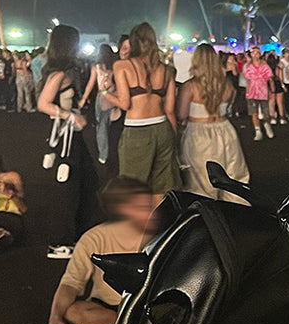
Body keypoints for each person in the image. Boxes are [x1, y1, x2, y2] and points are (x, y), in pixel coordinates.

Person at [44, 177, 160, 324]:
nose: (147, 213)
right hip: (105, 310)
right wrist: (55, 319)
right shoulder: (94, 238)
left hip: (143, 306)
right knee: (72, 312)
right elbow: (71, 283)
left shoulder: (159, 236)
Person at [36, 24, 99, 258]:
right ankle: (59, 242)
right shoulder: (59, 74)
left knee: (86, 182)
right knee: (67, 187)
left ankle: (75, 235)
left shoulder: (67, 71)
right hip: (65, 138)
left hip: (72, 136)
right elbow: (43, 104)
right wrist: (71, 116)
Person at [110, 22, 180, 192]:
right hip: (163, 128)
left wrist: (105, 92)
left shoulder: (122, 66)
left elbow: (125, 104)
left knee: (132, 187)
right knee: (162, 187)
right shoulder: (167, 70)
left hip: (137, 130)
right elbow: (170, 110)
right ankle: (160, 211)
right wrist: (174, 137)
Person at [177, 44, 250, 200]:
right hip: (225, 130)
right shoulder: (227, 85)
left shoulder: (190, 86)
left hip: (199, 133)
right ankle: (234, 209)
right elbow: (229, 108)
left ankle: (205, 211)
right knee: (231, 175)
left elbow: (181, 115)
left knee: (201, 180)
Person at [81, 43, 121, 165]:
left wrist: (83, 98)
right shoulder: (115, 67)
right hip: (114, 95)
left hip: (102, 96)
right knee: (113, 124)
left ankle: (103, 154)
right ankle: (115, 150)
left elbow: (90, 85)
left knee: (101, 125)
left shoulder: (96, 67)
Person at [243, 46, 276, 140]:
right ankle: (258, 131)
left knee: (266, 113)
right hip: (252, 91)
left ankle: (267, 126)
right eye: (253, 53)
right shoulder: (249, 67)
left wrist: (272, 89)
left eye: (257, 53)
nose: (255, 55)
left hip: (263, 91)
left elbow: (270, 79)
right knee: (254, 113)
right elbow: (248, 81)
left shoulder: (265, 66)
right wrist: (247, 92)